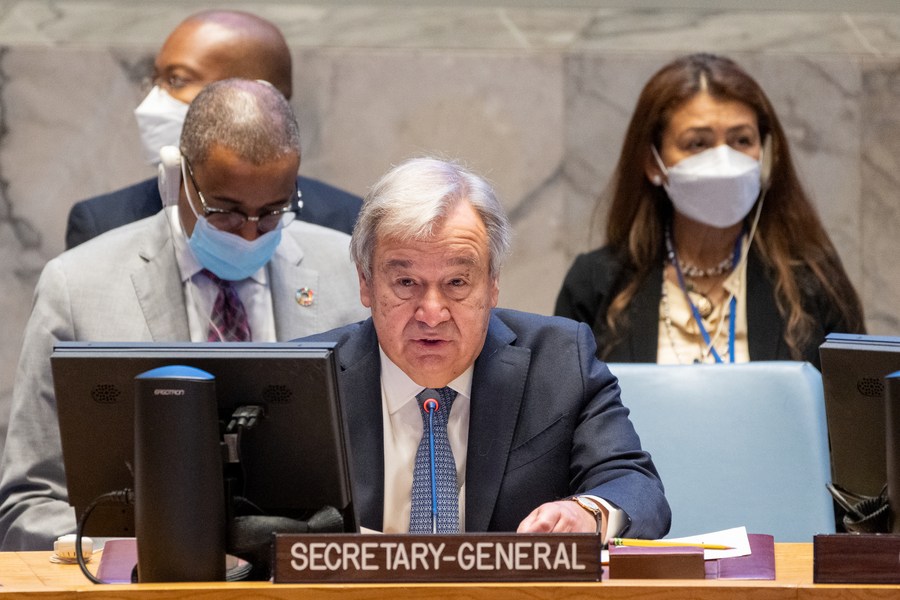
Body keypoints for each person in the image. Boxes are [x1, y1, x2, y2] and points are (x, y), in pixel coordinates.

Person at [0, 79, 368, 550]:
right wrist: (149, 551)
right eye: (225, 211)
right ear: (176, 177)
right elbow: (28, 503)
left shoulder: (348, 276)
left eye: (272, 212)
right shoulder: (76, 288)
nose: (250, 234)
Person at [301, 157, 670, 540]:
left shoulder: (559, 362)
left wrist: (586, 513)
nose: (432, 313)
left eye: (457, 282)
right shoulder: (307, 378)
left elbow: (636, 486)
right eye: (406, 282)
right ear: (366, 282)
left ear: (493, 284)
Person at [555, 53, 865, 368]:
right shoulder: (595, 284)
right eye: (698, 144)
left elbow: (857, 394)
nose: (724, 160)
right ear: (653, 163)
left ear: (766, 154)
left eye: (741, 140)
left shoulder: (813, 282)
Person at [65, 9, 361, 249]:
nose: (151, 102)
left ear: (255, 94)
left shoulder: (346, 223)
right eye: (155, 81)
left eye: (177, 80)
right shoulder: (102, 224)